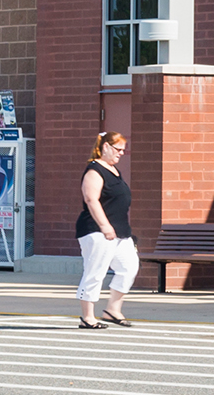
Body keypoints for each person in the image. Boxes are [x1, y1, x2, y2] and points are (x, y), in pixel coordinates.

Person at [75, 131, 136, 329]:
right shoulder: (94, 170)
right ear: (106, 147)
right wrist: (104, 226)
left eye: (123, 151)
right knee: (95, 271)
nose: (120, 154)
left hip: (120, 231)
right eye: (118, 149)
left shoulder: (113, 170)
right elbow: (91, 199)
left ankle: (112, 310)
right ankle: (87, 317)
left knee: (129, 267)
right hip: (97, 230)